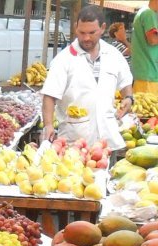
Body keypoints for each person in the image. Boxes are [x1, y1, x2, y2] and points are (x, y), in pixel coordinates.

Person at [40, 6, 133, 150]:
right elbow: (49, 95)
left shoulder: (113, 55)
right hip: (74, 140)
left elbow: (125, 82)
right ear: (76, 27)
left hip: (107, 138)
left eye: (92, 32)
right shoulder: (63, 59)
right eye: (82, 32)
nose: (86, 38)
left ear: (102, 28)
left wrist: (128, 98)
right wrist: (48, 125)